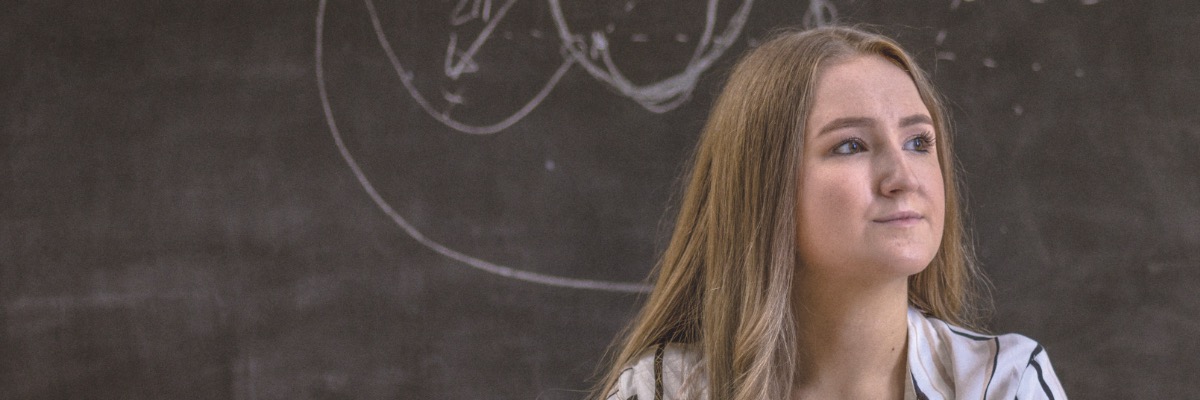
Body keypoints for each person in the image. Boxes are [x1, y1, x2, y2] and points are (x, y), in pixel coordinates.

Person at [593, 26, 1067, 400]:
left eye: (919, 142)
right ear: (765, 187)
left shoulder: (1003, 384)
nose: (904, 176)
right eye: (851, 146)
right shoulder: (661, 390)